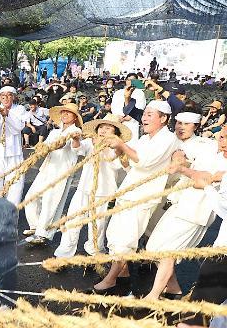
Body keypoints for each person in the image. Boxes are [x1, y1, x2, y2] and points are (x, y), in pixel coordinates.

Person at [93, 100, 181, 295]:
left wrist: (122, 146)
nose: (144, 118)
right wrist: (119, 151)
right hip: (130, 192)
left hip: (143, 196)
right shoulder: (145, 139)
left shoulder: (168, 139)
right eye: (145, 114)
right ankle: (122, 275)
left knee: (126, 238)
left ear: (164, 118)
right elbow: (131, 164)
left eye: (150, 114)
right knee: (115, 235)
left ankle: (111, 279)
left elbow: (144, 162)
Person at [143, 116, 227, 300]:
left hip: (198, 212)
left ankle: (153, 296)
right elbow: (182, 150)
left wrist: (182, 169)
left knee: (167, 253)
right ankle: (174, 289)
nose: (224, 142)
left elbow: (202, 179)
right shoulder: (208, 147)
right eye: (222, 137)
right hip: (180, 203)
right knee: (153, 248)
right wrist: (179, 157)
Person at [54, 115, 131, 258]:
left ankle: (95, 251)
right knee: (73, 220)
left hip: (104, 191)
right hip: (83, 188)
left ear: (115, 132)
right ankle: (64, 252)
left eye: (108, 128)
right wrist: (76, 139)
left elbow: (119, 165)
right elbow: (78, 149)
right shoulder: (90, 141)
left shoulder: (117, 148)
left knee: (98, 224)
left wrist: (109, 148)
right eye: (101, 127)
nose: (103, 131)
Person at [23, 103, 82, 246]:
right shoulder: (55, 132)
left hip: (61, 171)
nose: (65, 115)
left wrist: (71, 140)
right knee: (31, 197)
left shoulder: (76, 132)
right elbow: (46, 146)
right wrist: (39, 150)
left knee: (51, 201)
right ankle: (35, 225)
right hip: (48, 167)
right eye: (63, 112)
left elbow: (68, 147)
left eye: (68, 113)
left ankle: (42, 234)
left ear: (75, 118)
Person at [0, 86, 27, 205]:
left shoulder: (20, 109)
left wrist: (7, 114)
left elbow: (19, 126)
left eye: (9, 95)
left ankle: (11, 215)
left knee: (15, 186)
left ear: (13, 97)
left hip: (14, 153)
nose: (6, 98)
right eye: (3, 95)